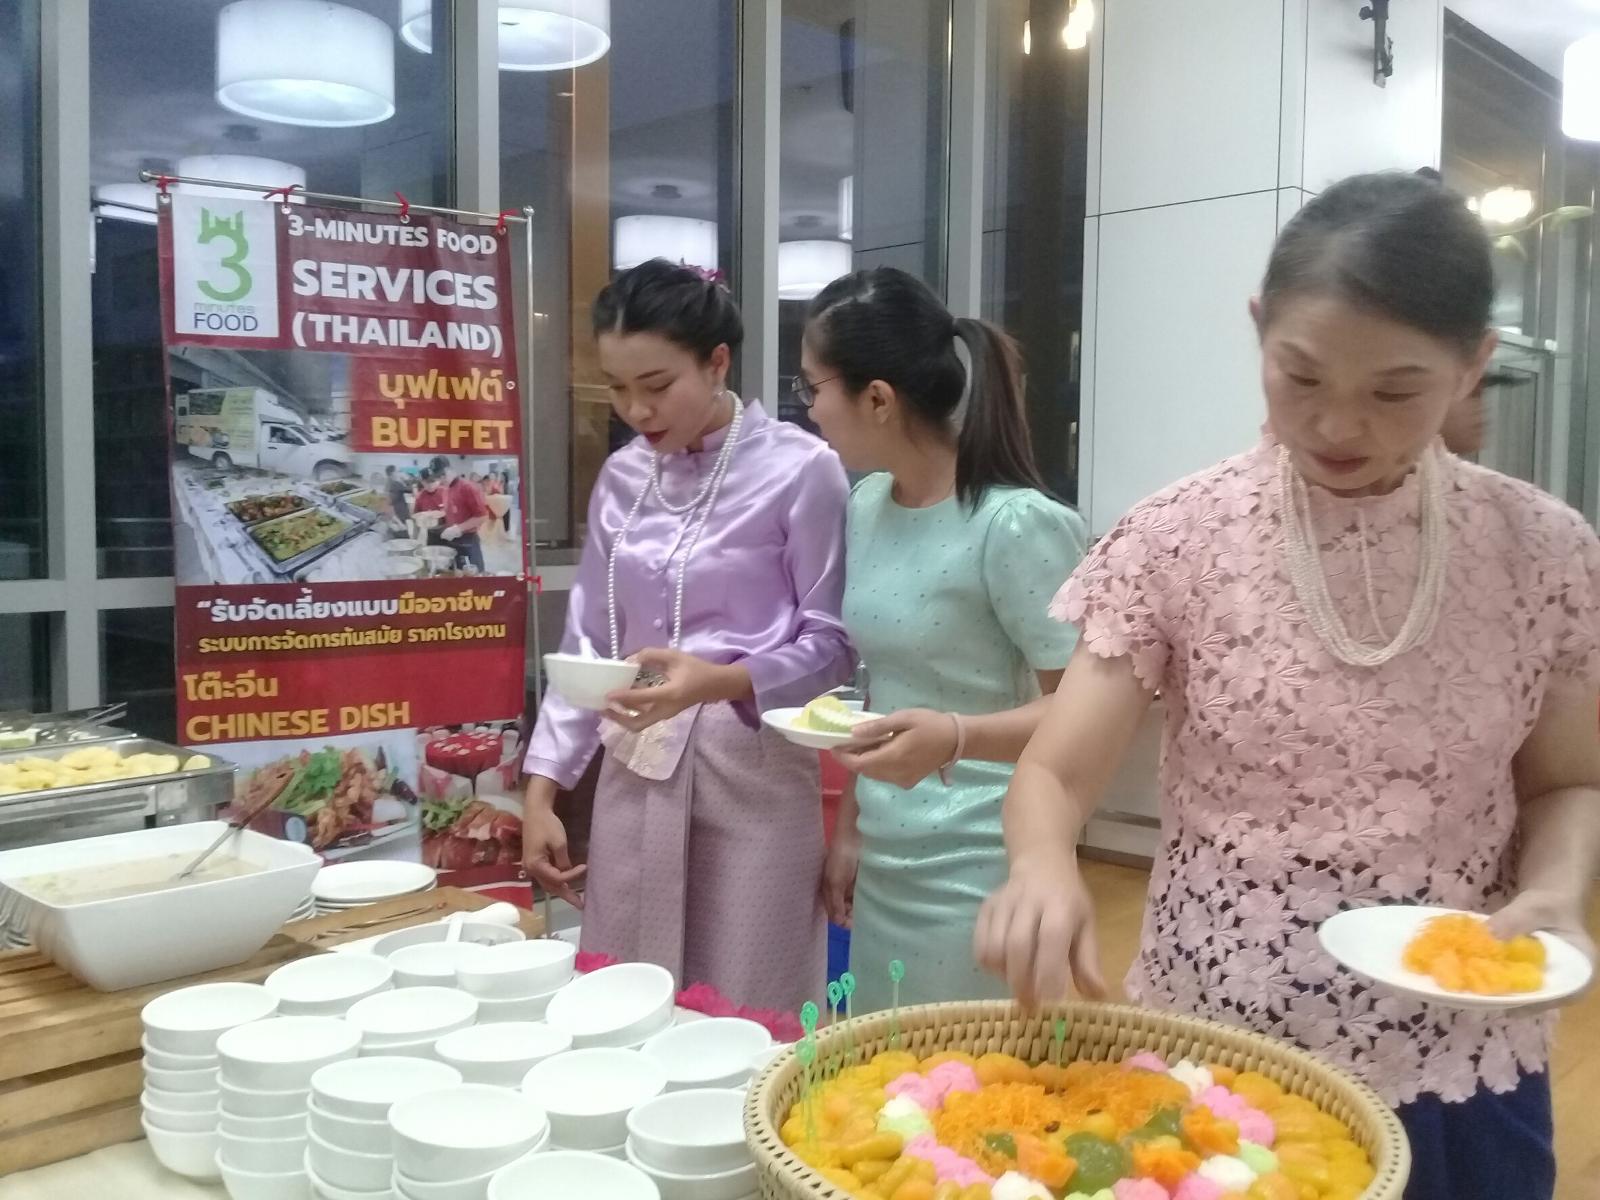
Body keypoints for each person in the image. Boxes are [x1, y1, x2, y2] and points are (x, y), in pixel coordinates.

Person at [974, 172, 1600, 1199]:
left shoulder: (1541, 550)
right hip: (1222, 1039)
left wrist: (1555, 888)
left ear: (1473, 365)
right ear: (1259, 327)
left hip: (1455, 1035)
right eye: (1299, 376)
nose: (1337, 425)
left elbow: (1566, 780)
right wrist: (1042, 865)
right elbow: (1055, 772)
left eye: (1394, 391)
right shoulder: (1180, 537)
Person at [521, 259, 854, 1012]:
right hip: (635, 766)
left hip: (753, 773)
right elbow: (588, 647)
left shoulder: (803, 470)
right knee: (624, 994)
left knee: (747, 1001)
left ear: (717, 362)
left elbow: (834, 645)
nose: (636, 409)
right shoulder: (620, 478)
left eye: (657, 384)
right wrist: (542, 792)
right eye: (616, 388)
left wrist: (721, 681)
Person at [798, 266, 1088, 1013]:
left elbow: (1084, 718)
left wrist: (956, 736)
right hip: (886, 851)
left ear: (877, 399)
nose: (811, 409)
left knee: (965, 1073)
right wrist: (851, 828)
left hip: (982, 861)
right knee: (882, 1069)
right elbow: (887, 689)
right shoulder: (867, 505)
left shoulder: (1015, 525)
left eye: (813, 387)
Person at [429, 456, 489, 572]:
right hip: (452, 541)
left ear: (449, 469)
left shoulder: (468, 487)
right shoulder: (446, 489)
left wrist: (458, 528)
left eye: (442, 475)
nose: (441, 479)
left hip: (468, 541)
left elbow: (482, 516)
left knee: (472, 576)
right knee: (455, 573)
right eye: (438, 477)